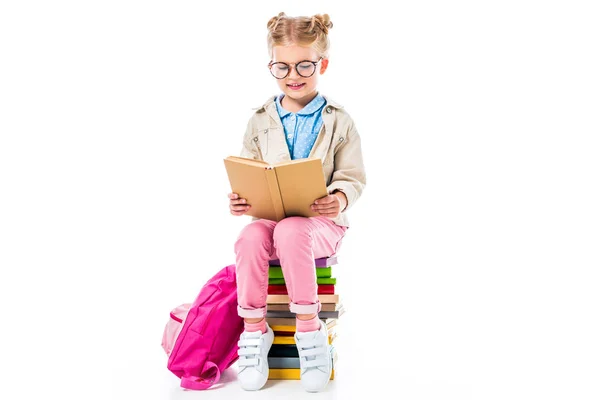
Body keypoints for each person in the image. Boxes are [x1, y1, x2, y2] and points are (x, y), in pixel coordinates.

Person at [227, 12, 366, 392]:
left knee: (292, 231)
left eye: (304, 64)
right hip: (272, 221)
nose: (293, 74)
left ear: (322, 63)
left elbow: (353, 177)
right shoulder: (259, 120)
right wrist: (242, 200)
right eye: (282, 66)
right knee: (251, 236)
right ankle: (255, 332)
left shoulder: (339, 120)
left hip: (321, 226)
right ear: (270, 65)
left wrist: (338, 198)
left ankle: (309, 331)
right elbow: (249, 170)